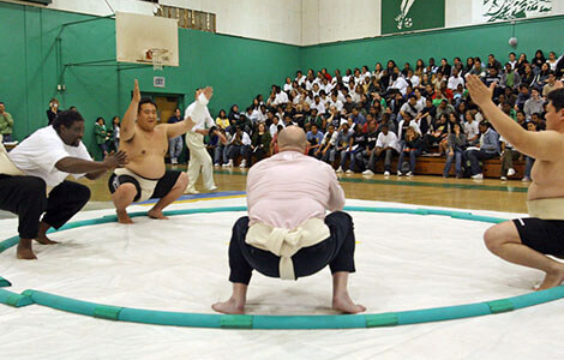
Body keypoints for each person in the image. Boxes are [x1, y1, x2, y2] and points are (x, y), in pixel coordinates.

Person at [211, 126, 365, 314]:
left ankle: (237, 299)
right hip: (313, 255)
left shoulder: (257, 169)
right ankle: (341, 295)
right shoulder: (322, 168)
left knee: (242, 224)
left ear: (275, 146)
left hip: (261, 256)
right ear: (307, 147)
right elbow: (337, 206)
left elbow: (253, 211)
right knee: (342, 219)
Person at [466, 74, 564, 290]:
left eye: (548, 111)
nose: (545, 116)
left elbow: (518, 139)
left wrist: (486, 104)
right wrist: (559, 91)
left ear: (563, 114)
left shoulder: (559, 140)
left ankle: (555, 269)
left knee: (495, 238)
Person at [1, 110, 127, 259]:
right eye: (76, 130)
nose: (80, 134)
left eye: (82, 130)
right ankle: (24, 245)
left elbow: (91, 174)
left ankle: (39, 232)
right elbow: (64, 164)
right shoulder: (46, 137)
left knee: (80, 192)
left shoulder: (75, 144)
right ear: (62, 128)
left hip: (38, 191)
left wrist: (108, 166)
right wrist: (103, 164)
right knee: (35, 185)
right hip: (6, 185)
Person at [109, 80, 203, 223]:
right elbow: (126, 127)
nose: (151, 116)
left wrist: (200, 104)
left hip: (155, 183)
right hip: (128, 178)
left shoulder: (163, 130)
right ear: (138, 115)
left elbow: (187, 124)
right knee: (127, 189)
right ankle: (121, 211)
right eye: (146, 112)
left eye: (154, 112)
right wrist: (135, 102)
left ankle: (156, 209)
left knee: (183, 178)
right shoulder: (131, 132)